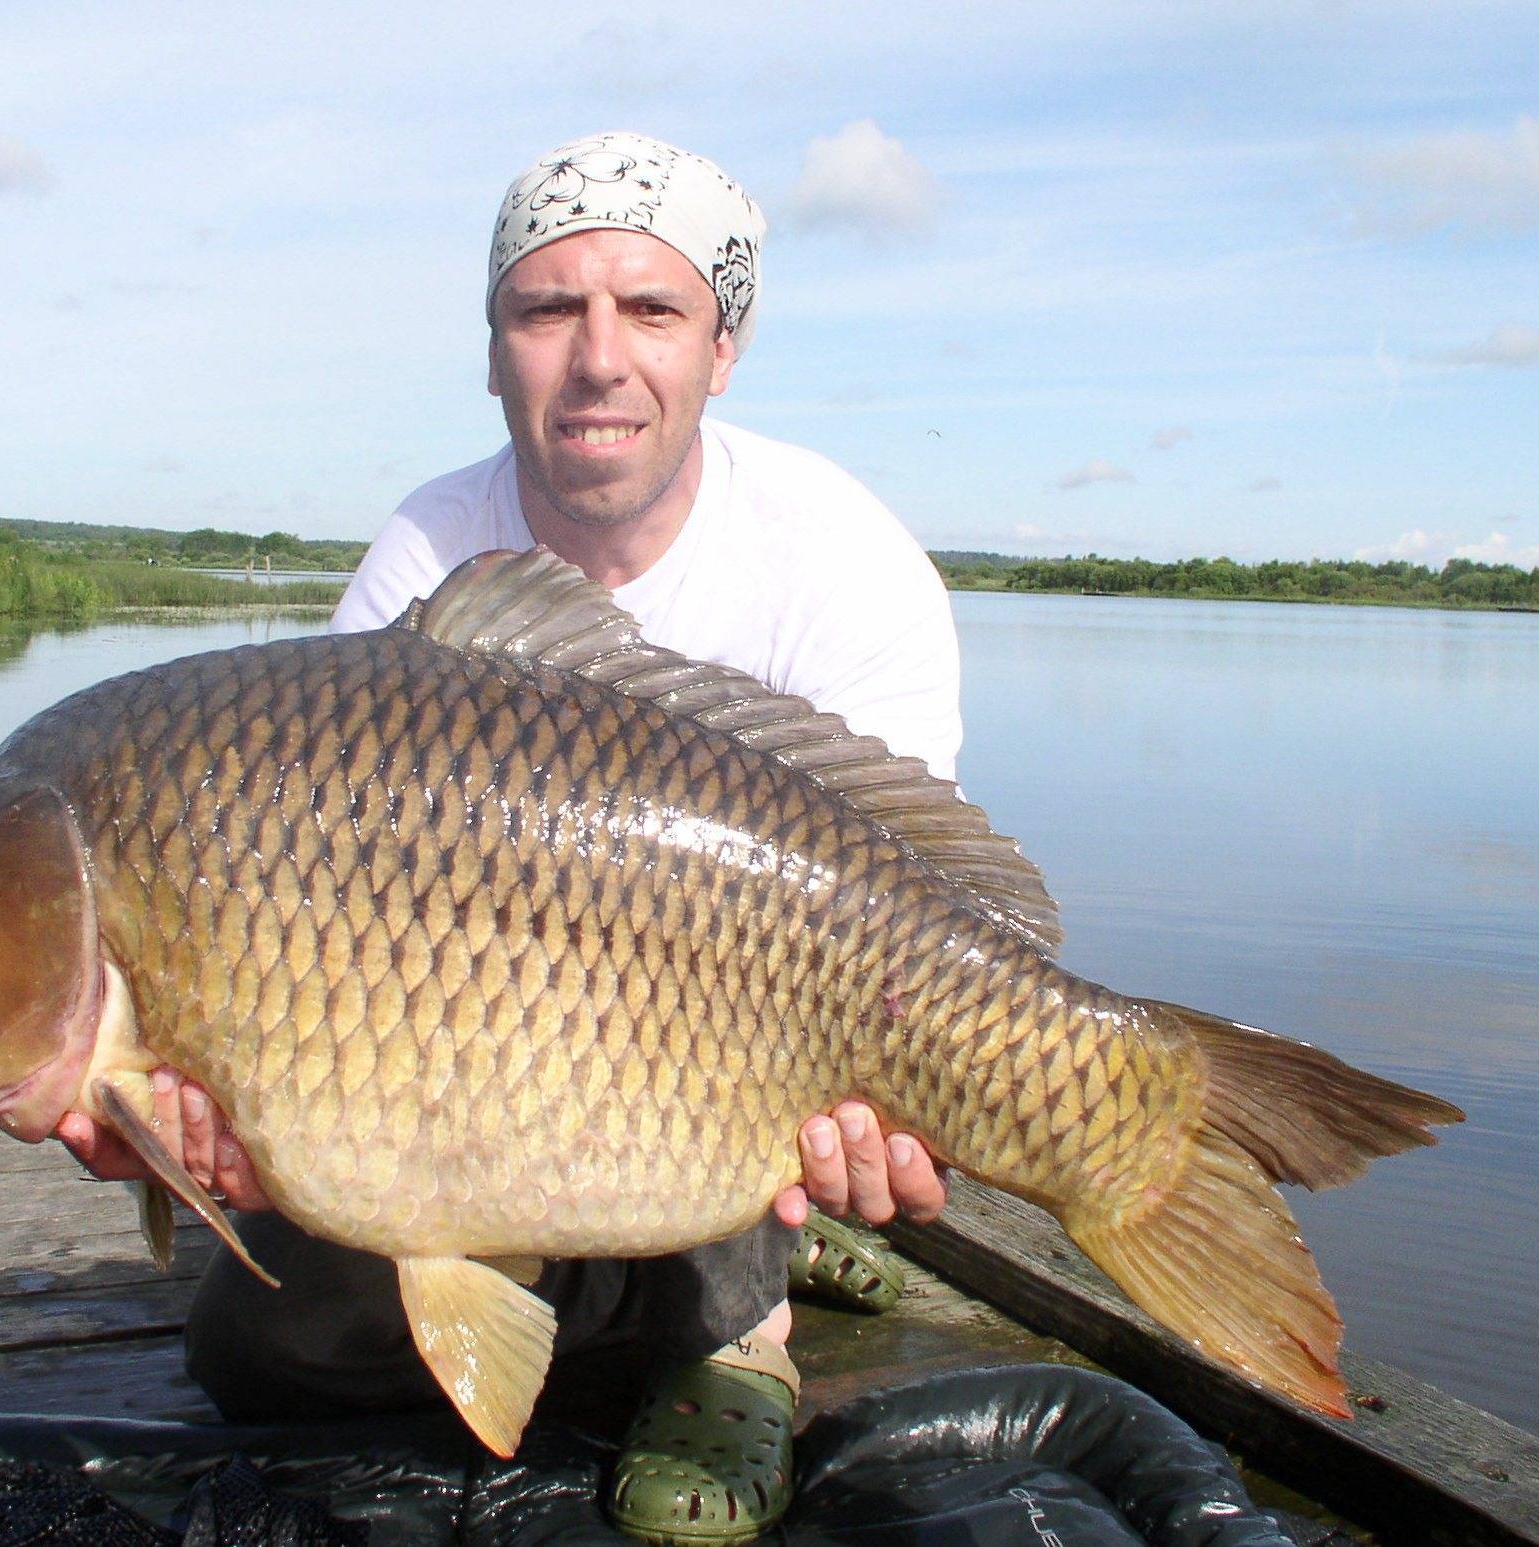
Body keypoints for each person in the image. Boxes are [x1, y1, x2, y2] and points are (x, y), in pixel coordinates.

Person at [56, 130, 960, 1545]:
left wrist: (899, 1101)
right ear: (494, 351)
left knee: (725, 1055)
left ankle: (743, 1330)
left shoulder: (843, 562)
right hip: (497, 1048)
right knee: (256, 1353)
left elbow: (921, 924)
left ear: (722, 349)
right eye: (548, 310)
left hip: (747, 1039)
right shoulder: (431, 550)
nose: (597, 356)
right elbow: (320, 910)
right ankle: (642, 1260)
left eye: (650, 310)